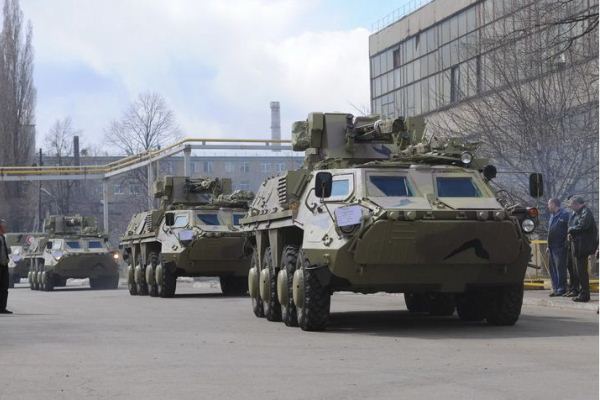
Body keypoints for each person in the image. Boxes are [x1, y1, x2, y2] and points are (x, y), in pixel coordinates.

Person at [567, 197, 598, 302]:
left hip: (583, 246)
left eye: (572, 204)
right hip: (577, 244)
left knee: (581, 271)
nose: (570, 207)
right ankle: (581, 292)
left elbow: (582, 226)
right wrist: (571, 232)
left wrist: (571, 229)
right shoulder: (578, 213)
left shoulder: (585, 212)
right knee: (578, 271)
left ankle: (584, 295)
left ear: (577, 204)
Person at [546, 198, 569, 296]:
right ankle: (555, 288)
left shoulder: (565, 215)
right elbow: (550, 231)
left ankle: (561, 288)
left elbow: (568, 229)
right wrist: (548, 246)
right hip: (551, 247)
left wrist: (565, 243)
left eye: (549, 204)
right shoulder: (552, 216)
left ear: (554, 204)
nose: (548, 206)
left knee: (560, 268)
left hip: (560, 246)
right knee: (552, 269)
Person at [0, 218, 12, 314]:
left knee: (4, 287)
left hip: (4, 265)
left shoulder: (2, 237)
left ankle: (2, 308)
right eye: (4, 226)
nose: (5, 227)